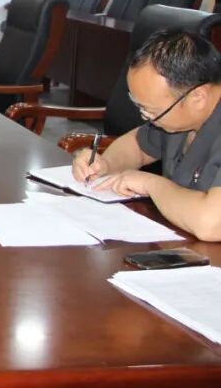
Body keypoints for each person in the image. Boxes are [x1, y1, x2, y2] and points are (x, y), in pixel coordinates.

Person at [73, 29, 221, 241]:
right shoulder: (179, 118)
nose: (146, 118)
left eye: (152, 111)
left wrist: (151, 184)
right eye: (141, 108)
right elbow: (136, 145)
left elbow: (211, 224)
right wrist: (105, 164)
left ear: (198, 97)